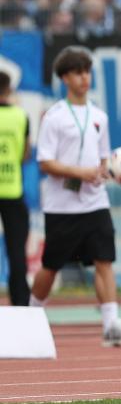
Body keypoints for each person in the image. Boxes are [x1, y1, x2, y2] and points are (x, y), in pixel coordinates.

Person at [30, 47, 121, 347]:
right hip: (62, 206)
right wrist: (80, 173)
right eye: (78, 72)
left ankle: (111, 325)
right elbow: (45, 162)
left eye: (87, 72)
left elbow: (103, 162)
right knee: (51, 265)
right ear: (65, 78)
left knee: (104, 260)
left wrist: (119, 175)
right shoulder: (54, 116)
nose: (84, 78)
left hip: (95, 201)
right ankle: (31, 317)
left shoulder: (99, 117)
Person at [0, 71, 30, 306]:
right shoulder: (21, 116)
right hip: (12, 190)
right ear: (9, 89)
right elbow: (25, 154)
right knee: (16, 252)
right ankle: (20, 305)